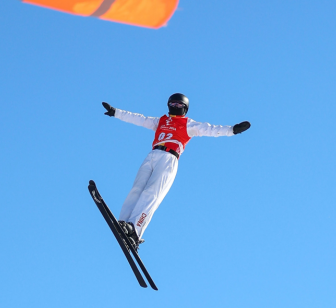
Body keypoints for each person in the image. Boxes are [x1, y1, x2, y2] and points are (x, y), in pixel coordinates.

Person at [101, 94, 250, 250]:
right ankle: (123, 223)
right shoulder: (161, 121)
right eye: (172, 104)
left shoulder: (188, 124)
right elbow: (139, 119)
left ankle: (134, 229)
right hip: (152, 154)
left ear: (185, 108)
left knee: (151, 193)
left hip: (169, 158)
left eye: (179, 105)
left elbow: (210, 129)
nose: (175, 107)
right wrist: (116, 112)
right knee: (137, 189)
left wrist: (232, 130)